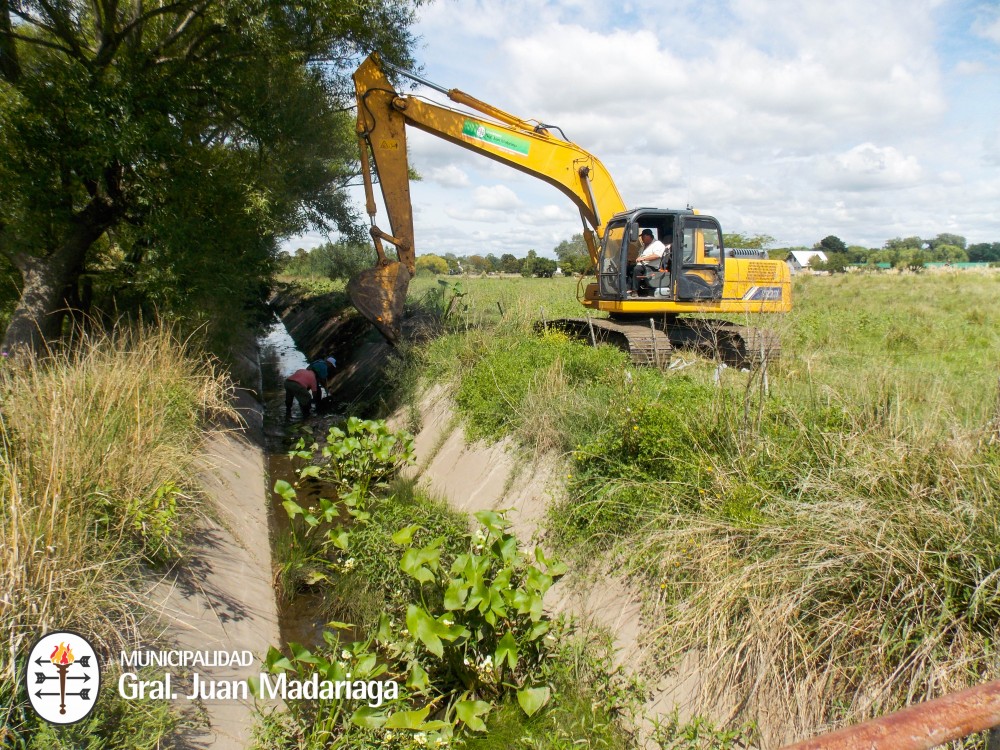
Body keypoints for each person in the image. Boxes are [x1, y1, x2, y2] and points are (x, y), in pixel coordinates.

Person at [629, 229, 667, 295]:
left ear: (648, 236)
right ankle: (628, 288)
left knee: (637, 269)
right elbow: (639, 257)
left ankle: (634, 290)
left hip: (651, 267)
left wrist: (643, 258)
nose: (641, 238)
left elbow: (657, 255)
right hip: (642, 265)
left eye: (643, 236)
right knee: (628, 268)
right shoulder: (643, 246)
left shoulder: (657, 244)